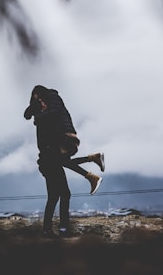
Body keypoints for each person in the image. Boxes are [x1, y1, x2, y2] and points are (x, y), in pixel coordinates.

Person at [24, 85, 105, 238]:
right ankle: (58, 229)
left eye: (40, 100)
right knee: (61, 194)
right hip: (48, 159)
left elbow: (50, 116)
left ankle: (52, 229)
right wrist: (35, 110)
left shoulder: (51, 105)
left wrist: (37, 113)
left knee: (57, 195)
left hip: (54, 151)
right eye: (37, 102)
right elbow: (30, 117)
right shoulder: (43, 120)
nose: (40, 103)